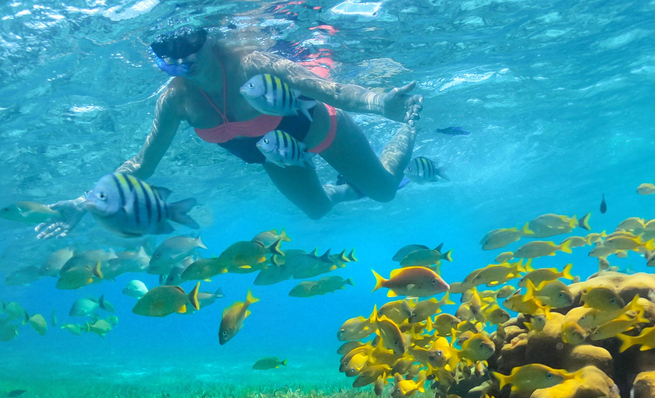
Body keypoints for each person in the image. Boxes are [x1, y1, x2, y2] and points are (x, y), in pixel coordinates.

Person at [37, 26, 423, 239]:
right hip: (276, 156)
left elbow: (330, 90)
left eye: (188, 41)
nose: (181, 55)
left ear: (209, 38)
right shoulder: (175, 101)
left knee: (386, 192)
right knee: (319, 208)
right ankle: (345, 188)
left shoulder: (251, 64)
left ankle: (410, 125)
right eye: (166, 47)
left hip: (319, 129)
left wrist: (380, 103)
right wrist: (84, 200)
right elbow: (142, 164)